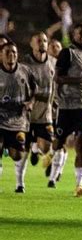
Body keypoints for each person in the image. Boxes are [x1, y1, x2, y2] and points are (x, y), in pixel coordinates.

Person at [47, 23, 82, 197]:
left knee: (81, 143)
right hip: (68, 105)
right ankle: (52, 157)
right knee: (59, 142)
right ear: (73, 35)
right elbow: (58, 78)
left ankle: (79, 184)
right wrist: (78, 79)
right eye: (80, 33)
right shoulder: (67, 53)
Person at [0, 41, 36, 193]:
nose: (11, 55)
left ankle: (19, 180)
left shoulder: (25, 71)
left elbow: (35, 90)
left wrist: (30, 102)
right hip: (0, 119)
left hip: (18, 121)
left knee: (17, 155)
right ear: (1, 55)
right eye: (7, 52)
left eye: (14, 52)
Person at [20, 32, 56, 179]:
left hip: (45, 112)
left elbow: (57, 84)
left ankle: (37, 149)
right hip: (27, 113)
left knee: (46, 146)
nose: (42, 43)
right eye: (39, 41)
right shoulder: (25, 64)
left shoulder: (53, 62)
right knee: (22, 150)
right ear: (32, 44)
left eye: (45, 41)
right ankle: (20, 184)